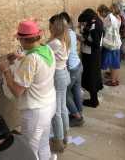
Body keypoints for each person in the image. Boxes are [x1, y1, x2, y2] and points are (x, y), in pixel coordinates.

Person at [0, 20, 56, 160]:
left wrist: (6, 71)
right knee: (43, 143)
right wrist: (21, 57)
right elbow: (36, 65)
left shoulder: (31, 59)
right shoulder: (47, 49)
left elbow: (17, 91)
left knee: (30, 150)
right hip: (48, 104)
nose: (19, 42)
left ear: (23, 39)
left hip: (35, 111)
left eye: (19, 39)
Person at [48, 14, 70, 153]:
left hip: (58, 76)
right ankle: (65, 138)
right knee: (62, 108)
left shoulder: (55, 42)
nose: (49, 27)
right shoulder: (65, 40)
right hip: (63, 73)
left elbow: (42, 49)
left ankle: (58, 142)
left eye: (50, 25)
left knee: (57, 111)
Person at [59, 12, 84, 127]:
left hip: (72, 68)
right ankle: (79, 113)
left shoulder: (65, 36)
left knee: (65, 92)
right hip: (78, 65)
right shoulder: (71, 32)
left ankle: (77, 116)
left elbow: (66, 55)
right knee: (76, 90)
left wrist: (67, 71)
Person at [78, 8, 103, 108]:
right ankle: (93, 98)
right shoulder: (96, 21)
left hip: (92, 55)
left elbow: (95, 44)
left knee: (92, 76)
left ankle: (94, 101)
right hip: (91, 54)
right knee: (91, 76)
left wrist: (83, 40)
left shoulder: (95, 25)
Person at [98, 4, 121, 86]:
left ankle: (113, 81)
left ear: (104, 11)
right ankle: (114, 78)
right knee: (114, 63)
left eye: (100, 13)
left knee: (114, 63)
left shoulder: (109, 18)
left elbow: (104, 28)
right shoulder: (116, 17)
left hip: (111, 44)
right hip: (116, 43)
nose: (100, 15)